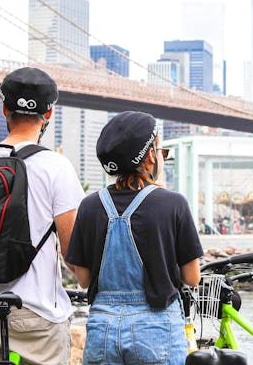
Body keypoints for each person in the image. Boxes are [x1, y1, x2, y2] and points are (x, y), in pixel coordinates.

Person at [0, 67, 84, 365]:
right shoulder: (56, 167)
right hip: (36, 313)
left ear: (4, 109)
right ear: (49, 114)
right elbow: (73, 251)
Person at [66, 111, 203, 365]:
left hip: (102, 331)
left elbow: (84, 280)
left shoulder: (89, 205)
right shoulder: (173, 204)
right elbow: (192, 278)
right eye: (162, 152)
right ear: (150, 155)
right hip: (156, 329)